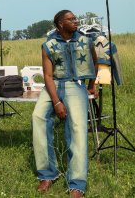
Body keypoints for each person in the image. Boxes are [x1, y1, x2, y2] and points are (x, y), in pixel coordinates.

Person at [32, 10, 97, 197]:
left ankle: (77, 183)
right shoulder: (48, 45)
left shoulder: (86, 41)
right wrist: (56, 101)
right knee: (38, 117)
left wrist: (91, 85)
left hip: (75, 85)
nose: (75, 21)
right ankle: (47, 173)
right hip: (53, 86)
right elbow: (47, 76)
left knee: (77, 127)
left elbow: (94, 61)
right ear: (60, 24)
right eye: (70, 19)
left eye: (75, 18)